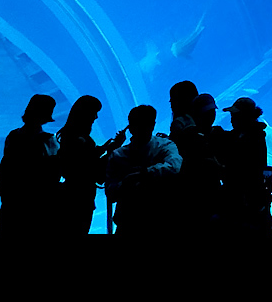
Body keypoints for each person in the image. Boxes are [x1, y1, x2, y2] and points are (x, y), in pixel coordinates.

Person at [106, 104, 181, 235]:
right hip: (130, 221)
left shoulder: (165, 145)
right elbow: (110, 191)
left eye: (147, 123)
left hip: (158, 219)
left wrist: (143, 173)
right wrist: (126, 184)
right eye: (140, 124)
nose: (144, 128)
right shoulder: (118, 155)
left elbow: (175, 166)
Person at [0, 93, 59, 234]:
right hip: (38, 205)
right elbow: (54, 174)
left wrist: (4, 193)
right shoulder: (48, 141)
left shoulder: (13, 136)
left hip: (12, 202)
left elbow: (5, 169)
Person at [54, 95, 113, 234]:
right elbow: (91, 169)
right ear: (85, 113)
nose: (96, 117)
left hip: (71, 195)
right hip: (81, 197)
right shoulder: (80, 140)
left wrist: (103, 149)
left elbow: (84, 159)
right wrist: (111, 152)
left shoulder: (70, 136)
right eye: (94, 112)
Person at [216, 97, 272, 234]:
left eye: (235, 116)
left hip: (247, 198)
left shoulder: (253, 138)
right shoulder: (243, 134)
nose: (231, 120)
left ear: (245, 117)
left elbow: (247, 169)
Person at [172, 93, 225, 233]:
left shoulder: (219, 134)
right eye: (207, 112)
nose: (211, 115)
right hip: (192, 194)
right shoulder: (187, 135)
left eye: (212, 112)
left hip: (212, 193)